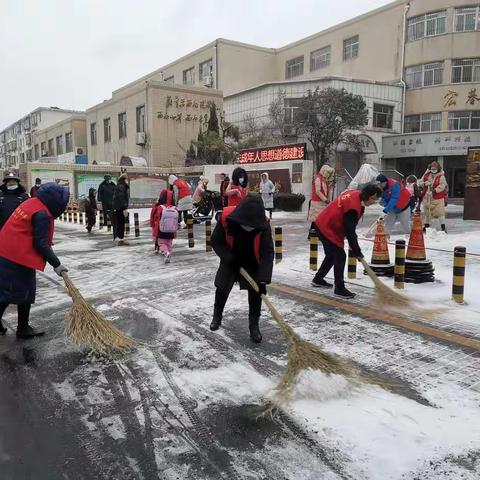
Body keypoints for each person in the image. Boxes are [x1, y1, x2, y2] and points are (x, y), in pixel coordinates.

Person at [0, 183, 69, 338]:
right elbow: (40, 243)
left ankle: (23, 326)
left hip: (6, 250)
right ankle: (23, 328)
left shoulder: (31, 203)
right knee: (24, 291)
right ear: (56, 202)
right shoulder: (42, 213)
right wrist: (57, 264)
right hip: (17, 255)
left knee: (6, 290)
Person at [210, 196, 274, 343]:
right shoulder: (227, 218)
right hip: (230, 258)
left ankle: (254, 326)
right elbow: (216, 241)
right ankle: (217, 316)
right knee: (222, 288)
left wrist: (263, 279)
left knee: (256, 292)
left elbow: (267, 252)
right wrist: (228, 258)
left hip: (252, 261)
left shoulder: (263, 224)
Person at [311, 185, 382, 299]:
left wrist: (356, 249)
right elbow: (350, 231)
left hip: (326, 224)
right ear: (367, 195)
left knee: (332, 255)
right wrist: (357, 250)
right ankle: (339, 288)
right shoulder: (353, 208)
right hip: (326, 227)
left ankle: (318, 279)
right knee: (340, 256)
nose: (374, 202)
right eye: (373, 198)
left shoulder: (355, 194)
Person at [418, 161, 448, 233]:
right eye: (432, 168)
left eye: (435, 169)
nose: (433, 170)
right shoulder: (426, 175)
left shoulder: (441, 176)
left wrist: (435, 190)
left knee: (440, 213)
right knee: (427, 213)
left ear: (438, 169)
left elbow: (442, 185)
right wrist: (424, 184)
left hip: (437, 198)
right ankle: (426, 226)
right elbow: (420, 182)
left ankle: (443, 227)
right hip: (427, 197)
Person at [150, 189, 178, 264]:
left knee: (162, 243)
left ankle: (166, 253)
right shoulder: (174, 208)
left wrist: (152, 225)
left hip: (161, 230)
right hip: (171, 231)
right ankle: (169, 253)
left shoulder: (159, 207)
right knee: (169, 243)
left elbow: (154, 217)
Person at [112, 173, 130, 246]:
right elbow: (121, 198)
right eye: (126, 179)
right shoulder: (122, 186)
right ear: (124, 179)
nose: (127, 180)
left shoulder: (120, 186)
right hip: (120, 208)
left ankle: (119, 238)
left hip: (118, 207)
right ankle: (120, 239)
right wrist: (124, 207)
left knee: (119, 223)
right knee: (121, 223)